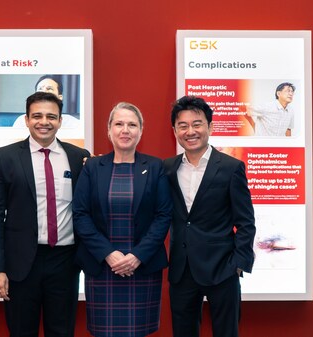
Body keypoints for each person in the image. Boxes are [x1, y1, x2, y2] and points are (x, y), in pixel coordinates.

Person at [0, 91, 90, 337]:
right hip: (21, 266)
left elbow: (86, 210)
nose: (45, 122)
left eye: (51, 116)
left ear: (61, 121)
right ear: (27, 119)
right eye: (38, 116)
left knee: (62, 332)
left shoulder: (78, 158)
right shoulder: (5, 157)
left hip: (65, 262)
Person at [73, 102, 172, 337]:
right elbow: (80, 214)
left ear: (141, 131)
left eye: (132, 124)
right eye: (119, 124)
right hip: (102, 267)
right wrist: (109, 253)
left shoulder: (155, 167)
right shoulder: (93, 167)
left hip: (142, 267)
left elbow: (163, 215)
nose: (125, 130)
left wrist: (137, 256)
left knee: (139, 331)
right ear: (109, 130)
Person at [164, 96, 256, 337]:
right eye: (182, 126)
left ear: (210, 127)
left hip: (222, 269)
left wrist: (238, 264)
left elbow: (246, 222)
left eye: (197, 124)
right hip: (182, 270)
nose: (190, 131)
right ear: (175, 130)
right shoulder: (167, 169)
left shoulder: (230, 167)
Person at [12, 75, 79, 128]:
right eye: (40, 89)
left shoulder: (72, 123)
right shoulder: (21, 122)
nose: (44, 92)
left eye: (49, 88)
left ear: (60, 97)